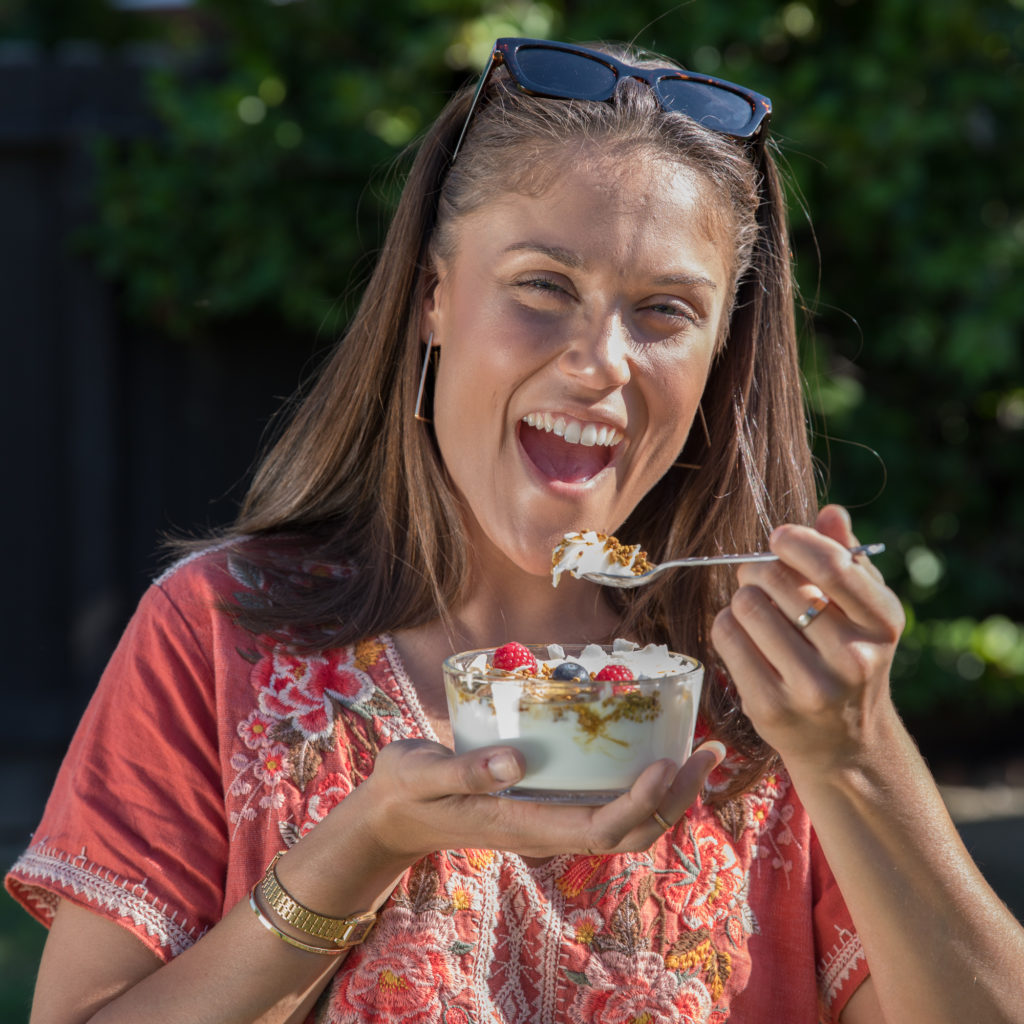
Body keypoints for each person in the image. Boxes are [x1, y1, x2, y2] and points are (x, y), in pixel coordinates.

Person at [7, 36, 1023, 1024]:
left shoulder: (772, 691)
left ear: (722, 355)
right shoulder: (221, 633)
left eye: (664, 310)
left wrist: (854, 754)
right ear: (432, 299)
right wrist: (354, 849)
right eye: (544, 286)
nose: (599, 362)